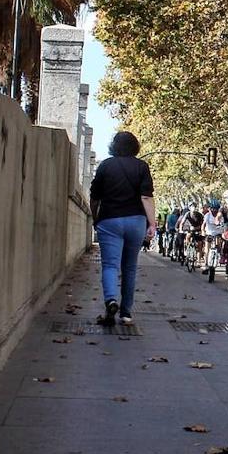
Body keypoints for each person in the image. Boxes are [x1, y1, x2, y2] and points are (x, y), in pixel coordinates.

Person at [89, 131, 156, 326]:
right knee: (130, 267)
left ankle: (111, 300)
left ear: (114, 146)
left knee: (110, 265)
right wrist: (151, 223)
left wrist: (95, 218)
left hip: (110, 221)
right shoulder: (142, 166)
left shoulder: (105, 165)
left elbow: (95, 197)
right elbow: (146, 197)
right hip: (136, 222)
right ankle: (126, 313)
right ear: (135, 147)